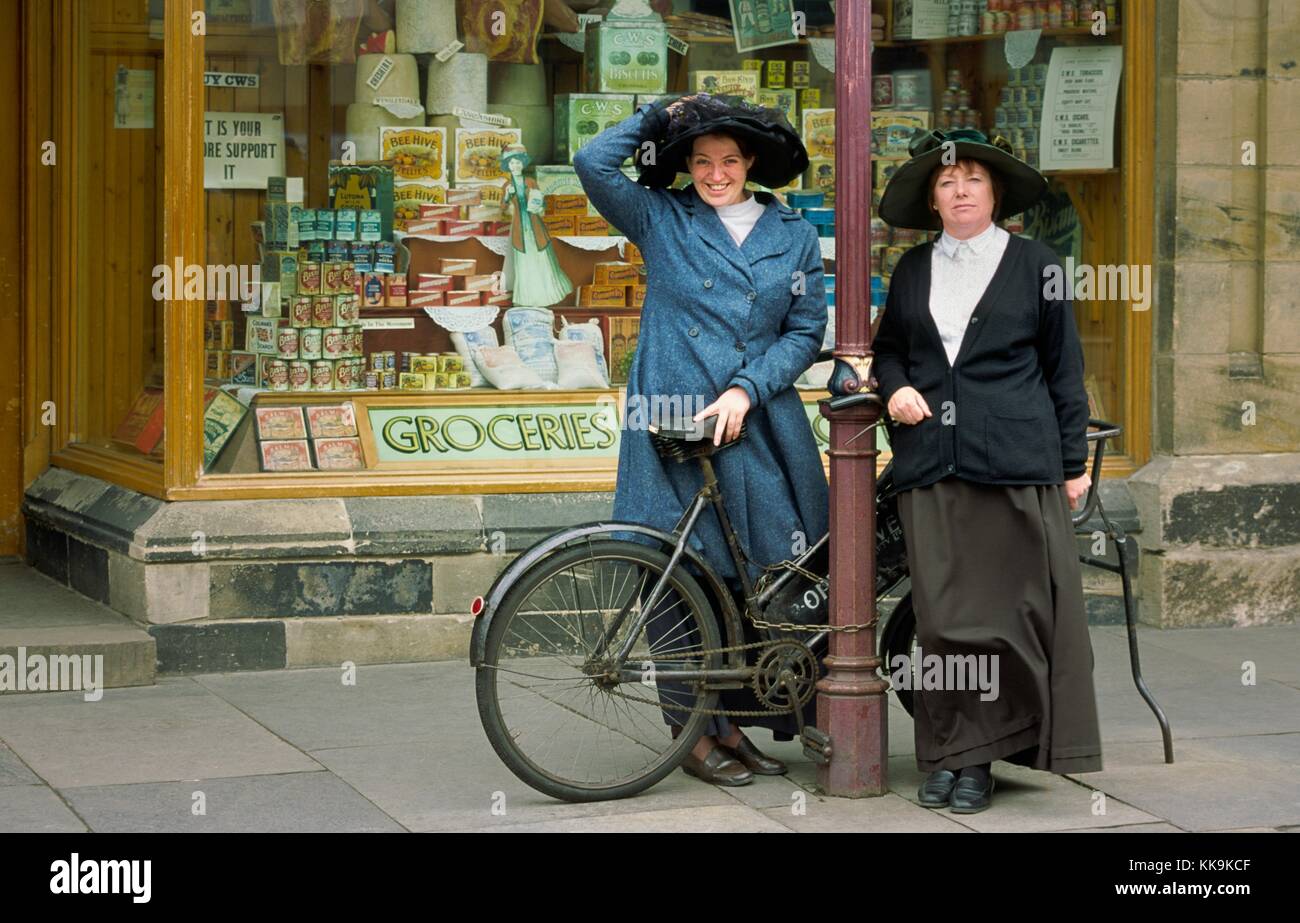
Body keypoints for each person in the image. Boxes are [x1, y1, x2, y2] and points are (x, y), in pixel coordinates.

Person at [574, 94, 829, 787]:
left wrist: (748, 387)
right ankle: (692, 732)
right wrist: (657, 117)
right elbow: (591, 162)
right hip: (675, 419)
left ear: (751, 163)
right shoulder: (661, 217)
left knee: (765, 571)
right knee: (679, 572)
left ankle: (737, 720)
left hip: (756, 421)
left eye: (729, 160)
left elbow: (806, 332)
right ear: (686, 166)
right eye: (702, 161)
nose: (716, 173)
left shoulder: (794, 235)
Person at [874, 127, 1104, 814]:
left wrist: (1071, 465)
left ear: (996, 192)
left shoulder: (1040, 262)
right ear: (934, 200)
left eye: (973, 178)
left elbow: (1065, 369)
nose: (961, 189)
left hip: (1014, 462)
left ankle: (976, 760)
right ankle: (949, 752)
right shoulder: (913, 270)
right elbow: (888, 349)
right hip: (931, 465)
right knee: (944, 622)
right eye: (948, 182)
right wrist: (893, 388)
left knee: (1006, 620)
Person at [499, 144, 573, 307]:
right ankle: (527, 298)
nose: (515, 166)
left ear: (523, 164)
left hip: (534, 224)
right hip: (519, 226)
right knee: (524, 261)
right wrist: (506, 196)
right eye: (512, 163)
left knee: (540, 258)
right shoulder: (507, 186)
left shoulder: (531, 182)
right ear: (507, 166)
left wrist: (538, 206)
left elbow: (542, 203)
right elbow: (503, 209)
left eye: (518, 163)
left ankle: (546, 296)